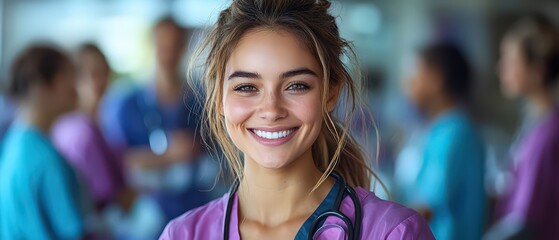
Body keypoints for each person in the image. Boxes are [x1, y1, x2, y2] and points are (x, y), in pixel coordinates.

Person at [160, 0, 435, 239]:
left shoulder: (394, 232)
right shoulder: (181, 234)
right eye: (246, 87)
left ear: (330, 93)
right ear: (219, 98)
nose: (271, 109)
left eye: (296, 85)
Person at [98, 16, 212, 238]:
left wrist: (197, 149)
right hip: (146, 215)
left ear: (183, 47)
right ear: (152, 46)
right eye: (162, 46)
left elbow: (221, 157)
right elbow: (116, 162)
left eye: (174, 45)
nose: (168, 53)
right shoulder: (127, 104)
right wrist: (168, 157)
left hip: (196, 207)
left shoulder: (202, 102)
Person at [398, 42, 486, 240]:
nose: (407, 82)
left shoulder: (454, 132)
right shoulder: (439, 129)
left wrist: (375, 223)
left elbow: (427, 206)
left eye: (414, 74)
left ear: (436, 79)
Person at [484, 14, 559, 240]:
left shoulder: (547, 134)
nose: (500, 68)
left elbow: (524, 220)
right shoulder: (535, 125)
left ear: (537, 70)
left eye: (510, 60)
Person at [0, 45, 87, 239]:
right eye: (69, 78)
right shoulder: (47, 161)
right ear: (44, 85)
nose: (76, 88)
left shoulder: (14, 142)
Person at [51, 43, 128, 211]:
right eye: (93, 74)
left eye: (104, 72)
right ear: (75, 79)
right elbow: (106, 194)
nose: (101, 81)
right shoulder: (81, 132)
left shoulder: (99, 123)